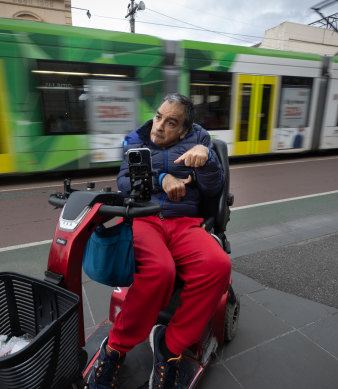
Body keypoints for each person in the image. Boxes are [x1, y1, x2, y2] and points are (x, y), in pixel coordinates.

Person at [88, 93, 232, 389]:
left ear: (183, 130)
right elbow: (125, 181)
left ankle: (170, 346)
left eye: (171, 122)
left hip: (184, 222)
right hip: (145, 219)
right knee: (159, 271)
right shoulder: (136, 141)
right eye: (158, 116)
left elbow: (213, 189)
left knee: (218, 265)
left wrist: (205, 163)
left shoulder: (201, 143)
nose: (158, 126)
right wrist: (162, 177)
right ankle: (114, 348)